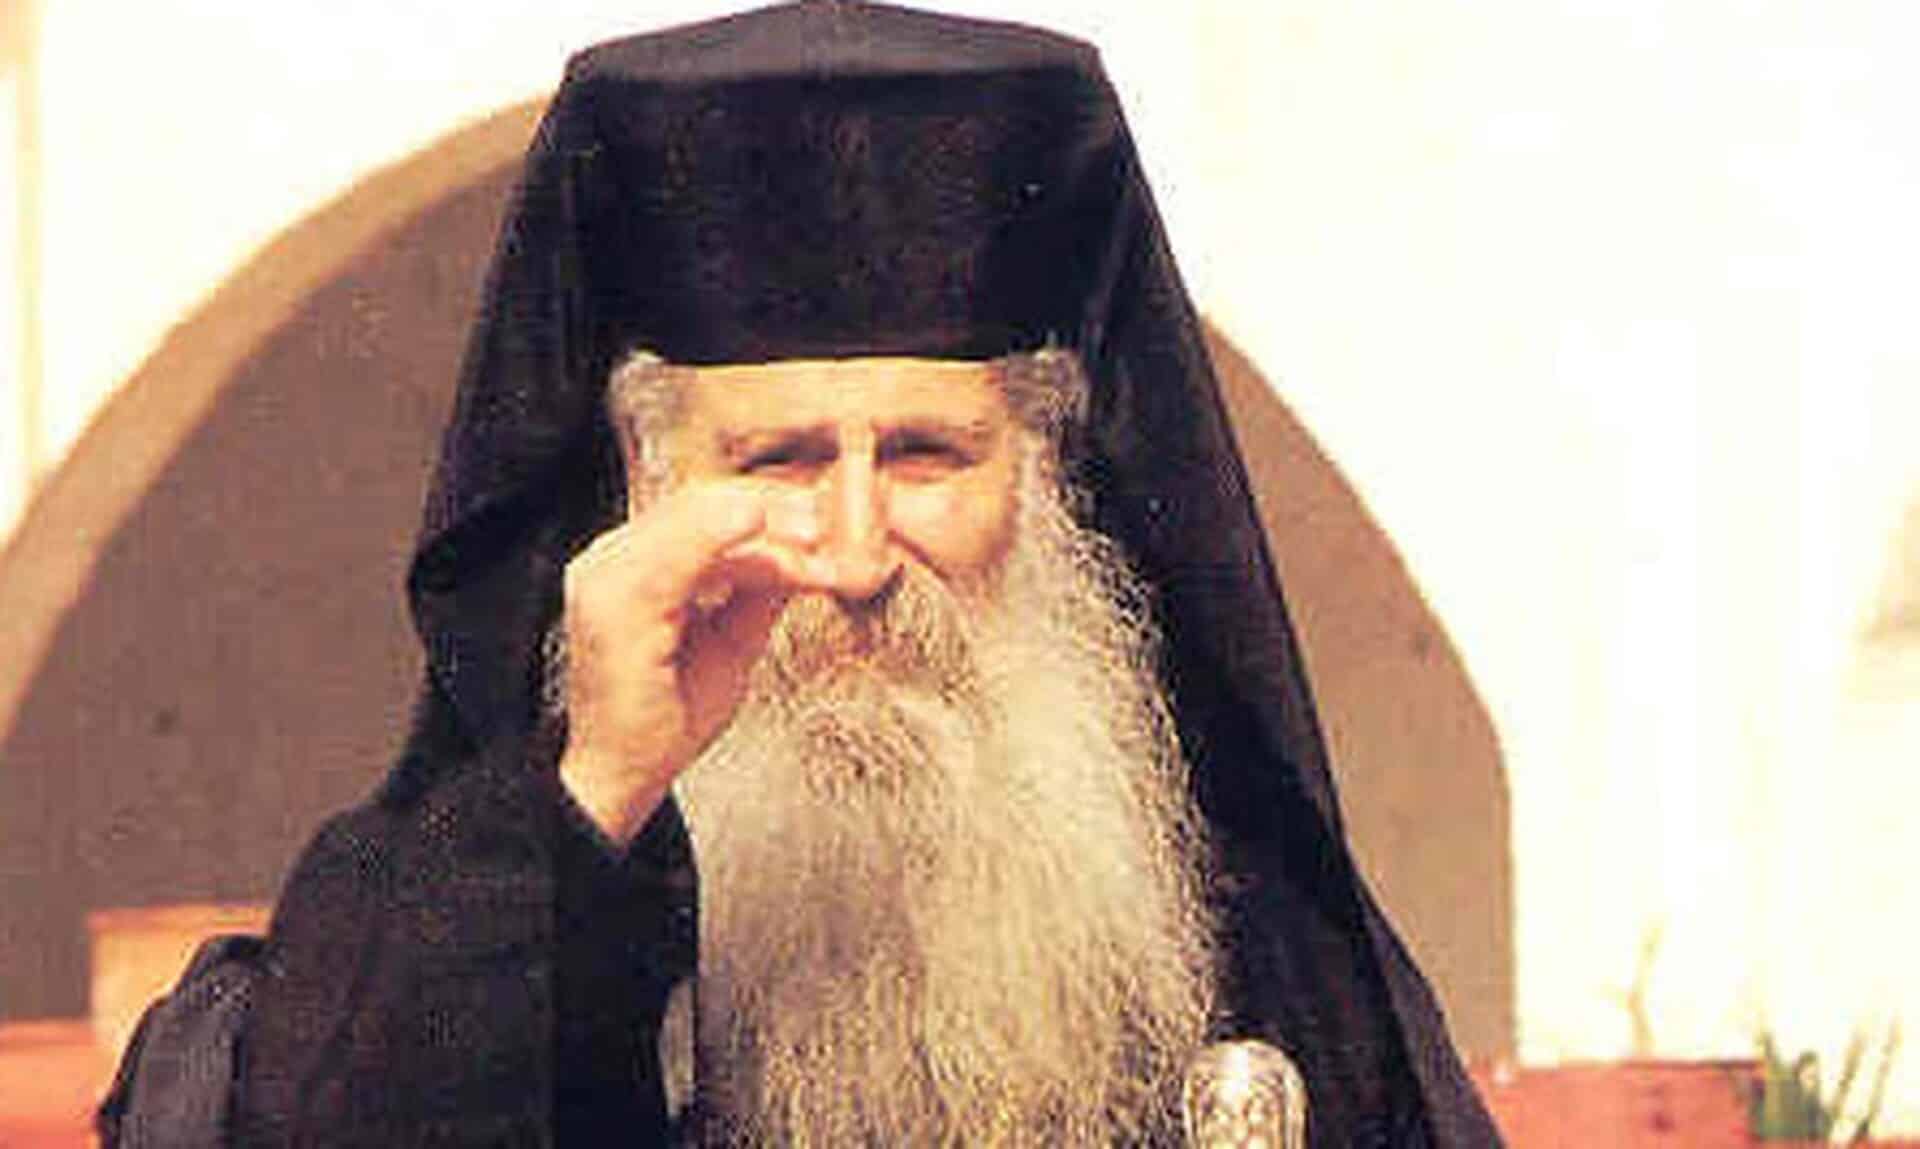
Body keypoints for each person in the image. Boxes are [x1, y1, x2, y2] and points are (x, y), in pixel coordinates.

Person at [101, 4, 1501, 1146]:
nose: (856, 552)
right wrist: (599, 790)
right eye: (777, 460)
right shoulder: (433, 941)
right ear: (647, 481)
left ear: (1043, 474)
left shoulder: (1263, 976)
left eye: (927, 454)